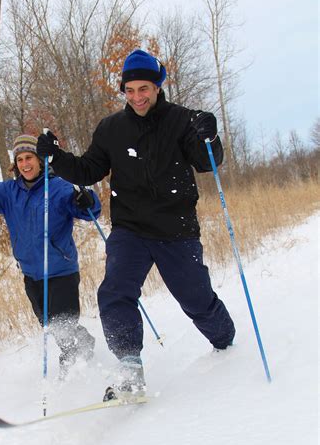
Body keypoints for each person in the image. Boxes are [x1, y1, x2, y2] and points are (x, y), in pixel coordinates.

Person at [36, 48, 235, 401]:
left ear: (157, 87)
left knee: (196, 299)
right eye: (130, 90)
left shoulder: (182, 120)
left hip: (176, 229)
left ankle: (226, 342)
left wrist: (210, 137)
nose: (137, 97)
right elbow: (88, 169)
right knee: (114, 292)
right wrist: (56, 158)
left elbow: (208, 163)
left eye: (143, 88)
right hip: (129, 228)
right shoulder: (111, 128)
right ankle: (129, 365)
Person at [0, 134, 101, 379]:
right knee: (51, 325)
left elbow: (89, 211)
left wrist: (87, 200)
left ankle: (74, 373)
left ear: (40, 159)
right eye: (19, 159)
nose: (25, 164)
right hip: (31, 274)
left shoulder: (59, 188)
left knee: (63, 326)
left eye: (29, 157)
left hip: (61, 270)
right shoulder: (9, 192)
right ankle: (83, 343)